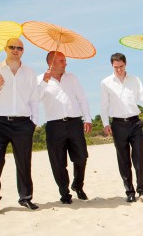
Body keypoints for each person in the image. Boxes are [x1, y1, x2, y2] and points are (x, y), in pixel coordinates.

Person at [0, 38, 39, 212]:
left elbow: (34, 98)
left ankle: (25, 198)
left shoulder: (29, 72)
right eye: (12, 47)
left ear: (23, 51)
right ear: (5, 49)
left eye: (19, 48)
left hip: (23, 123)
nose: (15, 50)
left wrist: (33, 121)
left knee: (24, 162)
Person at [38, 51, 92, 204]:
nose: (65, 63)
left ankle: (77, 185)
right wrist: (44, 82)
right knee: (58, 162)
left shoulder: (72, 78)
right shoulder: (40, 80)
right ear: (52, 62)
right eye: (62, 61)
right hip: (54, 125)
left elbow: (82, 98)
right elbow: (35, 98)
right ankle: (64, 193)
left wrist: (87, 118)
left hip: (75, 123)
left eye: (65, 60)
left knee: (81, 157)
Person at [100, 52, 143, 203]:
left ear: (126, 64)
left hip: (135, 123)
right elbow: (104, 106)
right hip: (118, 125)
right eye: (115, 67)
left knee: (138, 156)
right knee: (123, 159)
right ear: (112, 65)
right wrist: (106, 123)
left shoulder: (135, 80)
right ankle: (129, 191)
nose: (118, 69)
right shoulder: (106, 82)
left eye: (121, 66)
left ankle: (142, 190)